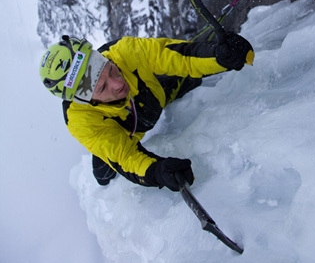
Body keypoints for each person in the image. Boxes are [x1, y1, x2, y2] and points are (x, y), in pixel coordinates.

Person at [39, 32, 254, 191]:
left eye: (111, 69)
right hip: (125, 131)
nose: (117, 84)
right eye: (103, 87)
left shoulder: (125, 52)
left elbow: (182, 58)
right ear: (84, 99)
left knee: (188, 75)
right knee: (104, 175)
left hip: (160, 94)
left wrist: (220, 56)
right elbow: (126, 157)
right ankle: (102, 156)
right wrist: (156, 171)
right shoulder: (81, 121)